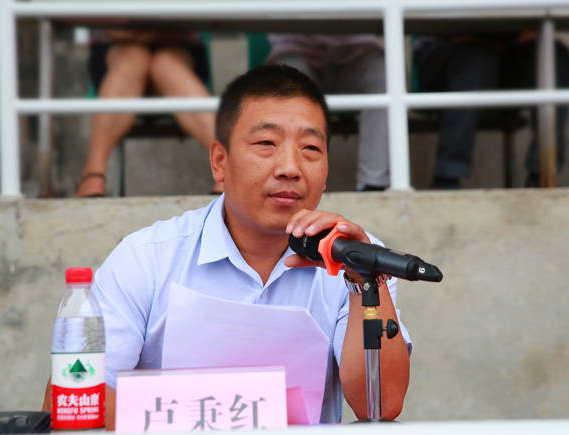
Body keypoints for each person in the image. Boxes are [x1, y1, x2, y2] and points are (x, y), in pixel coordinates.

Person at [43, 64, 411, 428]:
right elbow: (72, 402)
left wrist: (362, 280)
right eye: (266, 144)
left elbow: (380, 406)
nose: (290, 167)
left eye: (311, 148)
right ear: (220, 162)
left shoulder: (355, 257)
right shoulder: (147, 259)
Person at [413, 32, 569, 189]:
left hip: (511, 51)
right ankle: (446, 181)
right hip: (447, 49)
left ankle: (543, 177)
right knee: (477, 57)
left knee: (553, 55)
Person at [76, 29, 221, 197]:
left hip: (177, 44)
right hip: (120, 45)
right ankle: (227, 165)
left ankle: (92, 174)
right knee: (133, 59)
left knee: (166, 64)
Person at [266, 33, 390, 191]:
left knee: (385, 70)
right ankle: (293, 180)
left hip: (357, 51)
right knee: (288, 75)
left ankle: (374, 185)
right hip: (294, 49)